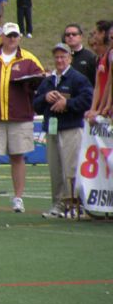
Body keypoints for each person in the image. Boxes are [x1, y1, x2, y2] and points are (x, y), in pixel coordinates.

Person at [0, 22, 45, 215]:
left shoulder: (29, 59)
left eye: (15, 35)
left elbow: (43, 83)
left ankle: (18, 198)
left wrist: (31, 85)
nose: (12, 39)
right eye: (9, 35)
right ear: (1, 36)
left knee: (18, 157)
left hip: (20, 116)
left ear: (20, 37)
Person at [33, 43, 94, 218]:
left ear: (70, 58)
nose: (59, 60)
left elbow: (87, 100)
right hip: (52, 130)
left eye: (63, 56)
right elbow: (36, 105)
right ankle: (58, 204)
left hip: (71, 129)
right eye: (57, 57)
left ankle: (75, 205)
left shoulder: (78, 79)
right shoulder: (49, 80)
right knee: (55, 169)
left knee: (71, 168)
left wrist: (67, 103)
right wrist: (45, 97)